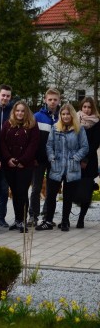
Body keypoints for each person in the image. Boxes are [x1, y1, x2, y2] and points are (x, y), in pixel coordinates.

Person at [37, 104, 88, 232]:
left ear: (72, 115)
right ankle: (48, 221)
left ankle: (65, 221)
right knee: (51, 195)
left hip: (72, 168)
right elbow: (49, 146)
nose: (65, 116)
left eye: (68, 114)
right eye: (63, 114)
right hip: (56, 167)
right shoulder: (55, 128)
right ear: (60, 115)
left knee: (68, 196)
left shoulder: (79, 129)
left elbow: (84, 147)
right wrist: (52, 158)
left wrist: (75, 158)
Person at [0, 101, 39, 233]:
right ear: (14, 112)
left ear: (26, 112)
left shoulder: (32, 125)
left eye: (22, 111)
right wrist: (8, 158)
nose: (20, 113)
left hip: (25, 165)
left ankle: (22, 220)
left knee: (22, 192)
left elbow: (33, 145)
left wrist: (22, 160)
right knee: (15, 193)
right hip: (9, 164)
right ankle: (17, 220)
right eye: (17, 111)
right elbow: (2, 142)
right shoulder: (7, 124)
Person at [29, 88, 61, 225]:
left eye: (55, 99)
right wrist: (33, 157)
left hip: (55, 160)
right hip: (39, 159)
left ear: (59, 100)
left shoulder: (63, 117)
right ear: (45, 100)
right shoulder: (37, 117)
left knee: (51, 189)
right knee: (36, 188)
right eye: (50, 99)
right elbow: (32, 139)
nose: (52, 102)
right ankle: (33, 216)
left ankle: (48, 217)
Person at [73, 97, 100, 228]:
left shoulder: (97, 123)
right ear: (81, 107)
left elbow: (94, 144)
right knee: (72, 189)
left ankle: (81, 219)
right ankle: (66, 218)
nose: (87, 109)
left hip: (89, 162)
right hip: (74, 160)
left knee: (86, 191)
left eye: (89, 107)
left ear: (92, 108)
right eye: (85, 107)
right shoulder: (75, 120)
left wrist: (84, 160)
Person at [0, 84, 13, 227]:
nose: (5, 98)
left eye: (8, 96)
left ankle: (1, 217)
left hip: (7, 153)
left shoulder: (13, 111)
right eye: (3, 95)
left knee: (4, 190)